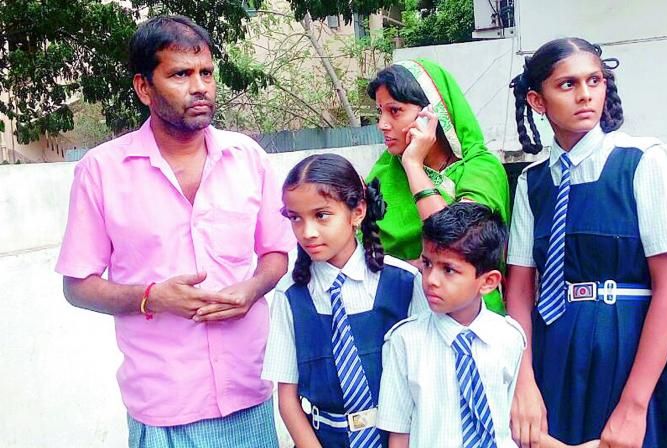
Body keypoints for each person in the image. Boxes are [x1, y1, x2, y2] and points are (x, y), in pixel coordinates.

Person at [55, 16, 293, 447]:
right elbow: (78, 286)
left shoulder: (248, 158)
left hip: (248, 396)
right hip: (162, 408)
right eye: (181, 74)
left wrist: (252, 289)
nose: (200, 87)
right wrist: (152, 298)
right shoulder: (102, 171)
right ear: (144, 88)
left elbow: (276, 253)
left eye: (207, 73)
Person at [505, 37, 667, 448]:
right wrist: (523, 383)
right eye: (568, 84)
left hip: (625, 345)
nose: (585, 95)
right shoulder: (532, 182)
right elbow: (520, 290)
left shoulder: (644, 161)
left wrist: (634, 405)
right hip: (553, 348)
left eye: (594, 81)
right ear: (537, 101)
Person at [377, 203, 599, 448]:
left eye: (448, 270)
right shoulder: (404, 341)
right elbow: (399, 434)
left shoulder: (510, 338)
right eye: (427, 264)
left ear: (488, 282)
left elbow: (505, 423)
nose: (431, 280)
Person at [263, 154, 429, 447]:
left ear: (358, 212)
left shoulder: (404, 282)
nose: (307, 232)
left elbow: (423, 382)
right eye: (296, 218)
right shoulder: (290, 293)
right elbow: (287, 399)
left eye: (321, 215)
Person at [365, 59, 510, 314]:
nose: (382, 124)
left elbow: (456, 243)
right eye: (380, 112)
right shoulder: (383, 175)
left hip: (475, 318)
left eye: (395, 111)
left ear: (433, 114)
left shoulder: (482, 169)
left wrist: (413, 165)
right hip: (401, 316)